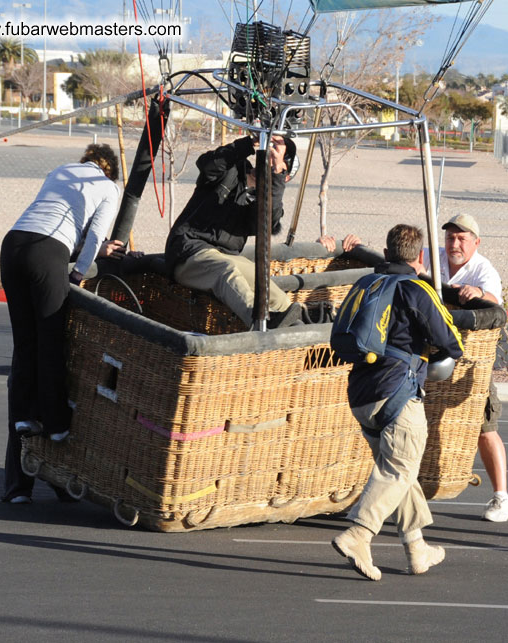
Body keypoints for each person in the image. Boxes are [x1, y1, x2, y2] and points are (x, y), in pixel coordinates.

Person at [332, 224, 465, 581]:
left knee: (401, 473)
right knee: (398, 470)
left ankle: (416, 548)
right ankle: (358, 535)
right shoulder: (416, 290)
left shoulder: (366, 284)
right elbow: (452, 341)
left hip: (361, 394)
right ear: (419, 257)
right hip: (398, 393)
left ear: (388, 253)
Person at [0, 143, 125, 504]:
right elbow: (95, 235)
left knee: (25, 344)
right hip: (47, 252)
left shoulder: (61, 172)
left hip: (13, 246)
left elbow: (55, 222)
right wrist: (79, 275)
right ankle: (55, 424)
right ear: (110, 170)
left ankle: (24, 417)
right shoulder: (108, 186)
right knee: (51, 337)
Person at [165, 134, 303, 329]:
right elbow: (207, 164)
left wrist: (275, 174)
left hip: (226, 257)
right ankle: (259, 323)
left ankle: (305, 329)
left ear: (284, 177)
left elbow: (267, 222)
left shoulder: (263, 200)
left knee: (276, 295)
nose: (271, 161)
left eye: (278, 164)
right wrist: (248, 143)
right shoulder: (232, 168)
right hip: (189, 251)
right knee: (226, 272)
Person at [436, 214, 508, 523]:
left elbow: (496, 302)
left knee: (484, 426)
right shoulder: (433, 255)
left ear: (475, 243)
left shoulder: (483, 270)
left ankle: (502, 498)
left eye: (461, 238)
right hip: (430, 354)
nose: (454, 243)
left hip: (469, 361)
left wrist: (479, 294)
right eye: (451, 237)